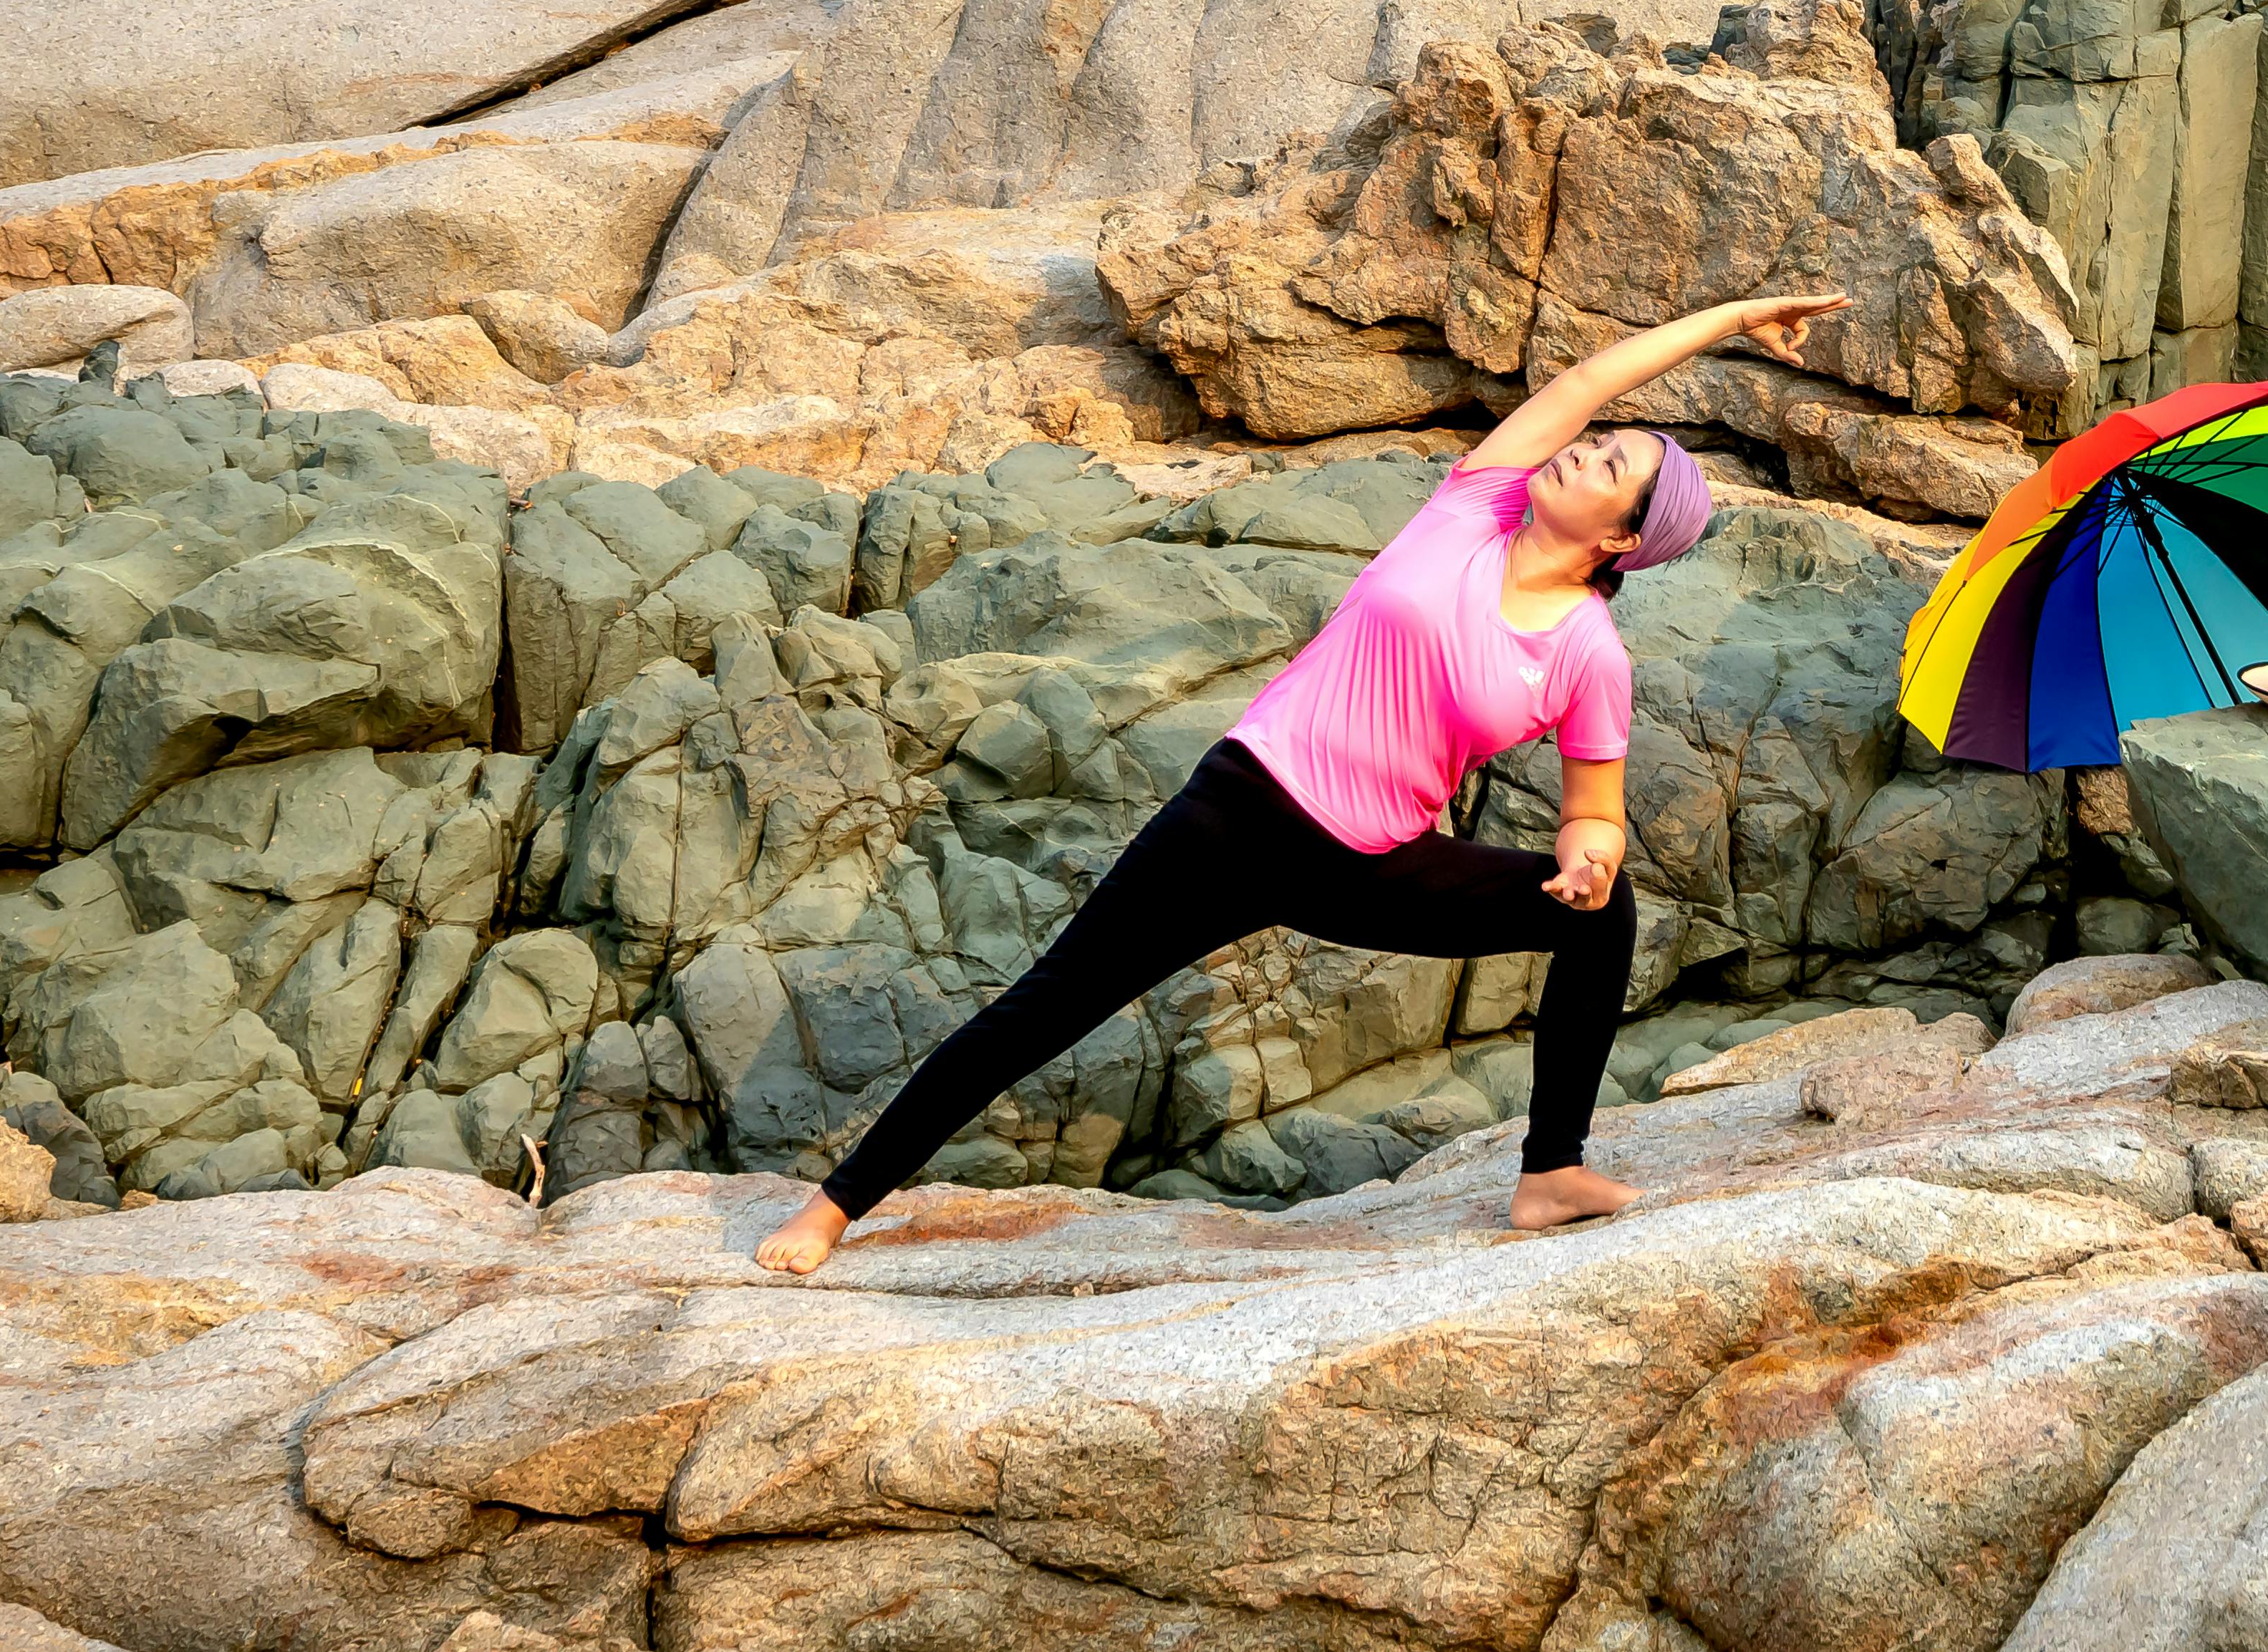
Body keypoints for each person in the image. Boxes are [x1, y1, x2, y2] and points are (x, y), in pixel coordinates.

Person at [751, 285, 1842, 1283]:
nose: (1584, 451)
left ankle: (1551, 1173)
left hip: (1370, 866)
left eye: (1609, 467)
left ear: (1621, 538)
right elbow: (1585, 381)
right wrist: (1738, 319)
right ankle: (836, 1209)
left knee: (1607, 917)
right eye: (1598, 446)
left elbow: (1592, 807)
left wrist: (1587, 860)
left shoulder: (1590, 654)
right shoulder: (1471, 510)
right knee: (1044, 1009)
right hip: (1236, 814)